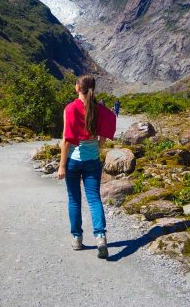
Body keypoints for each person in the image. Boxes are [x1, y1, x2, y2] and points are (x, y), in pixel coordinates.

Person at [58, 74, 116, 259]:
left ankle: (77, 238)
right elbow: (105, 134)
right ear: (93, 89)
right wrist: (96, 148)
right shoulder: (100, 110)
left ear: (77, 88)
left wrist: (62, 165)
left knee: (74, 200)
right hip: (92, 162)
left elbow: (67, 141)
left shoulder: (70, 109)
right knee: (94, 199)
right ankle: (100, 238)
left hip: (74, 161)